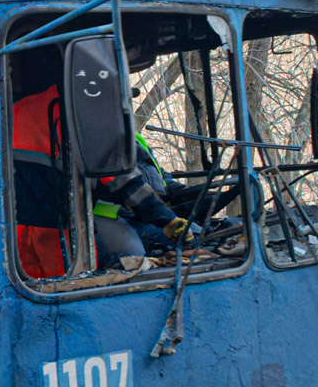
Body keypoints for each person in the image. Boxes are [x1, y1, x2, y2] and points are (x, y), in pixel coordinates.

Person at [12, 66, 191, 279]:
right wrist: (167, 220)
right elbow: (120, 180)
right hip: (60, 235)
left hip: (22, 237)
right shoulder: (76, 113)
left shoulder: (19, 110)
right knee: (132, 262)